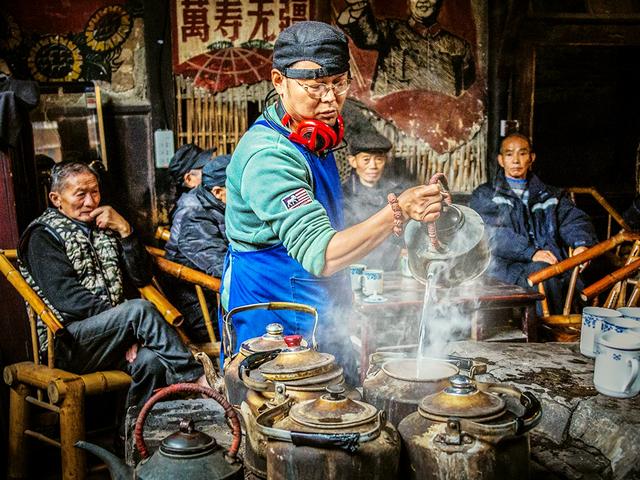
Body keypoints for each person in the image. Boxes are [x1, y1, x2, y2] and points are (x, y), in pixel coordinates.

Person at [221, 21, 443, 381]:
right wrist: (398, 209)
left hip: (317, 303)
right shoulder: (269, 157)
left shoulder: (312, 138)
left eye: (339, 84)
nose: (330, 99)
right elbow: (322, 255)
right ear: (279, 82)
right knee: (288, 419)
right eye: (315, 87)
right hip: (276, 313)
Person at [18, 161, 207, 419]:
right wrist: (126, 329)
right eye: (80, 194)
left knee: (150, 362)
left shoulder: (103, 226)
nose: (90, 201)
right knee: (139, 310)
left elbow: (141, 276)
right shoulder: (43, 235)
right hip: (67, 345)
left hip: (108, 337)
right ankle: (195, 379)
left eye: (94, 192)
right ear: (56, 199)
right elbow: (67, 299)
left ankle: (130, 441)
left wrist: (125, 230)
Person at [470, 133, 598, 314]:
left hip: (553, 266)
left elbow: (574, 219)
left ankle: (559, 331)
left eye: (522, 153)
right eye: (509, 154)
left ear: (532, 158)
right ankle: (545, 334)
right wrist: (531, 252)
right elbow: (490, 233)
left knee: (566, 277)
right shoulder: (486, 194)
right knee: (542, 274)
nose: (516, 160)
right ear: (500, 160)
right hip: (506, 268)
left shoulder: (550, 194)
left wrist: (581, 244)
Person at [337, 0, 475, 98]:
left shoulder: (459, 46)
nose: (423, 1)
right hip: (391, 123)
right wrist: (358, 6)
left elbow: (467, 92)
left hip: (441, 128)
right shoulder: (390, 30)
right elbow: (367, 38)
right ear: (409, 2)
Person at [163, 155, 231, 342]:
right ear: (217, 191)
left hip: (210, 293)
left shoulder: (212, 201)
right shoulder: (193, 213)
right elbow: (220, 265)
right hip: (198, 301)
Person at [342, 127, 409, 271]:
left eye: (379, 159)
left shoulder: (395, 193)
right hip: (357, 269)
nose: (373, 166)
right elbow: (350, 239)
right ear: (353, 161)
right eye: (366, 160)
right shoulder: (343, 194)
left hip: (394, 271)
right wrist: (395, 253)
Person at [167, 145, 216, 234]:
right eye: (206, 168)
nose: (213, 170)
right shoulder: (192, 212)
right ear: (189, 179)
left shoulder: (201, 203)